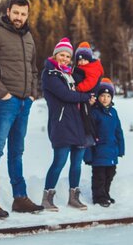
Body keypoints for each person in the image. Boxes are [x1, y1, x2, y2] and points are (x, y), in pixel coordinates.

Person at [0, 0, 44, 219]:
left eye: (23, 14)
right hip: (4, 102)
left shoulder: (28, 37)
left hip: (24, 102)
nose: (19, 17)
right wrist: (3, 94)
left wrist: (32, 94)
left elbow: (33, 69)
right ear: (8, 11)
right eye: (16, 12)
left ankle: (20, 198)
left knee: (17, 152)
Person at [40, 37, 95, 211]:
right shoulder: (50, 74)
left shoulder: (69, 74)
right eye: (61, 55)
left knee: (76, 163)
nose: (64, 58)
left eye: (68, 56)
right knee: (59, 161)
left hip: (78, 124)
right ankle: (47, 198)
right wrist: (85, 97)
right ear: (55, 55)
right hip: (61, 124)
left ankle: (74, 198)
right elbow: (66, 95)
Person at [85, 78, 124, 207]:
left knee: (110, 174)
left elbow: (118, 131)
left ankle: (105, 194)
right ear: (98, 96)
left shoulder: (113, 112)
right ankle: (98, 197)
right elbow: (88, 134)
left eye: (108, 96)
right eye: (102, 95)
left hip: (112, 151)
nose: (105, 99)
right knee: (99, 176)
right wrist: (88, 154)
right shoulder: (94, 112)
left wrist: (121, 148)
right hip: (99, 151)